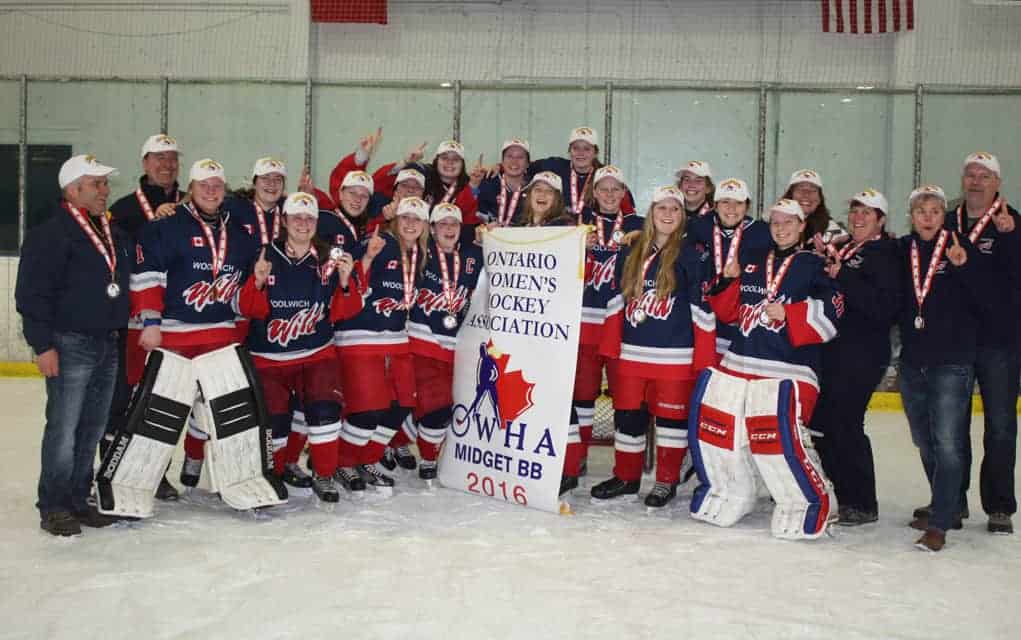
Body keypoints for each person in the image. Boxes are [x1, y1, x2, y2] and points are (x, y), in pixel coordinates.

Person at [689, 198, 842, 540]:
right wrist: (727, 283)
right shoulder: (754, 260)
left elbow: (833, 313)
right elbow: (728, 313)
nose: (781, 228)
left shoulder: (814, 265)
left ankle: (815, 500)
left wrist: (791, 314)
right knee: (721, 432)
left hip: (788, 370)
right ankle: (734, 491)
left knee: (778, 440)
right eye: (775, 222)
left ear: (803, 226)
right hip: (740, 362)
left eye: (789, 222)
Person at [16, 154, 130, 536]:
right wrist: (42, 344)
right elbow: (32, 294)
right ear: (73, 189)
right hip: (69, 344)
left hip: (107, 344)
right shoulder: (51, 233)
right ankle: (54, 505)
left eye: (104, 184)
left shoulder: (108, 232)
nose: (105, 191)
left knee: (92, 429)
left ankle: (80, 498)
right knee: (64, 429)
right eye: (96, 184)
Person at [132, 159, 262, 490]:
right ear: (190, 188)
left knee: (216, 410)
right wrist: (150, 321)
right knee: (164, 411)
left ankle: (212, 465)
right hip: (174, 334)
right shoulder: (166, 225)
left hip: (220, 335)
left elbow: (245, 290)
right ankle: (152, 474)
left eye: (217, 186)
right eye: (203, 185)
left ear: (225, 190)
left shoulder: (239, 236)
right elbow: (148, 275)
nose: (210, 191)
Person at [590, 185, 716, 507]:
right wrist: (611, 346)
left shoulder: (691, 254)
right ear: (652, 214)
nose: (669, 215)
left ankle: (666, 481)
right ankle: (627, 477)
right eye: (662, 209)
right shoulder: (632, 251)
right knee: (628, 417)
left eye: (675, 209)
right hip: (633, 354)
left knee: (671, 422)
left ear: (682, 216)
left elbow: (702, 308)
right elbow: (617, 301)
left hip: (675, 357)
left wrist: (704, 359)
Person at [237, 192, 364, 502]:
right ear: (283, 221)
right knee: (275, 421)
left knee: (325, 411)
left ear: (317, 223)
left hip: (316, 352)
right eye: (296, 217)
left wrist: (347, 282)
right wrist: (256, 283)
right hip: (269, 356)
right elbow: (246, 307)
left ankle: (324, 474)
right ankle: (275, 472)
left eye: (309, 218)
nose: (303, 224)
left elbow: (346, 310)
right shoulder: (264, 254)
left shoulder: (333, 255)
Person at [897, 185, 988, 552]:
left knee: (948, 444)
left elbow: (988, 297)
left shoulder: (961, 248)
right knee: (924, 440)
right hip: (912, 361)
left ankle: (939, 525)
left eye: (936, 211)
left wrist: (966, 267)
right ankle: (946, 505)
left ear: (944, 215)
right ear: (912, 216)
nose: (929, 218)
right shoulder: (902, 249)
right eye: (922, 211)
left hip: (952, 362)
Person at [810, 189, 901, 526]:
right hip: (835, 349)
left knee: (847, 424)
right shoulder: (848, 249)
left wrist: (842, 276)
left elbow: (884, 308)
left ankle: (862, 501)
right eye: (856, 211)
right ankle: (839, 493)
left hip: (862, 352)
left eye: (868, 213)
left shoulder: (886, 254)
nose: (859, 217)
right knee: (827, 423)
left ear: (881, 220)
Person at [943, 152, 1021, 535]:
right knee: (952, 426)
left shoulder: (1012, 223)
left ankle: (1000, 506)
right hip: (956, 339)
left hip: (1000, 342)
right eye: (970, 174)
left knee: (1001, 426)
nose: (975, 181)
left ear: (997, 183)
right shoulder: (947, 221)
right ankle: (951, 503)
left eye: (984, 176)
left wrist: (1009, 239)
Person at [106, 133, 184, 502]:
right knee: (124, 399)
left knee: (164, 403)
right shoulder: (123, 209)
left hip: (176, 323)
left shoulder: (192, 205)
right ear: (144, 164)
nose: (167, 165)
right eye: (159, 158)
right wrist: (151, 226)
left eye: (172, 159)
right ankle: (111, 467)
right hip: (134, 323)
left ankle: (157, 472)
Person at [334, 197, 430, 492]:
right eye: (405, 217)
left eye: (417, 219)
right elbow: (346, 279)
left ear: (425, 225)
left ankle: (367, 458)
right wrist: (367, 258)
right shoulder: (378, 242)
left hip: (397, 340)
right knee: (368, 409)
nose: (410, 223)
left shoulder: (420, 255)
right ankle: (344, 463)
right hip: (361, 337)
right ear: (395, 220)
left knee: (403, 404)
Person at [562, 165, 644, 492]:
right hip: (582, 324)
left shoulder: (641, 226)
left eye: (616, 190)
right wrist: (574, 246)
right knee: (581, 399)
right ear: (593, 193)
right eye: (603, 189)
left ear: (624, 193)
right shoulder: (575, 226)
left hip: (622, 327)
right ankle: (574, 464)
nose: (610, 195)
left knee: (626, 403)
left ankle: (628, 474)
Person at [407, 203, 484, 480]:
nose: (449, 229)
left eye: (454, 224)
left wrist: (494, 236)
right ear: (432, 228)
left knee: (445, 405)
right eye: (442, 224)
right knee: (435, 405)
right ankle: (428, 458)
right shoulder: (420, 254)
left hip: (458, 347)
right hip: (423, 342)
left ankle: (416, 444)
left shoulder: (474, 255)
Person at [686, 177, 772, 357]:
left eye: (738, 203)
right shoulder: (698, 227)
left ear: (747, 206)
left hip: (741, 320)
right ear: (715, 205)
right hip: (704, 317)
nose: (731, 209)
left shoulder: (763, 232)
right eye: (725, 202)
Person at [529, 127, 635, 216]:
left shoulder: (607, 177)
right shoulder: (555, 166)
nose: (581, 153)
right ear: (569, 151)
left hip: (595, 234)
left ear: (595, 153)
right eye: (576, 148)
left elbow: (629, 214)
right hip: (560, 232)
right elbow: (524, 168)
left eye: (587, 149)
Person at [782, 169, 848, 251]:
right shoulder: (772, 223)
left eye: (813, 190)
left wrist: (825, 255)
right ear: (790, 196)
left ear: (819, 199)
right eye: (800, 189)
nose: (806, 194)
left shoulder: (830, 228)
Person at [476, 138, 530, 228]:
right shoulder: (488, 183)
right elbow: (479, 220)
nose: (514, 161)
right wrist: (484, 227)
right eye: (509, 156)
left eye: (520, 157)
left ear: (528, 163)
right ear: (502, 161)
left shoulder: (534, 188)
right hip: (494, 239)